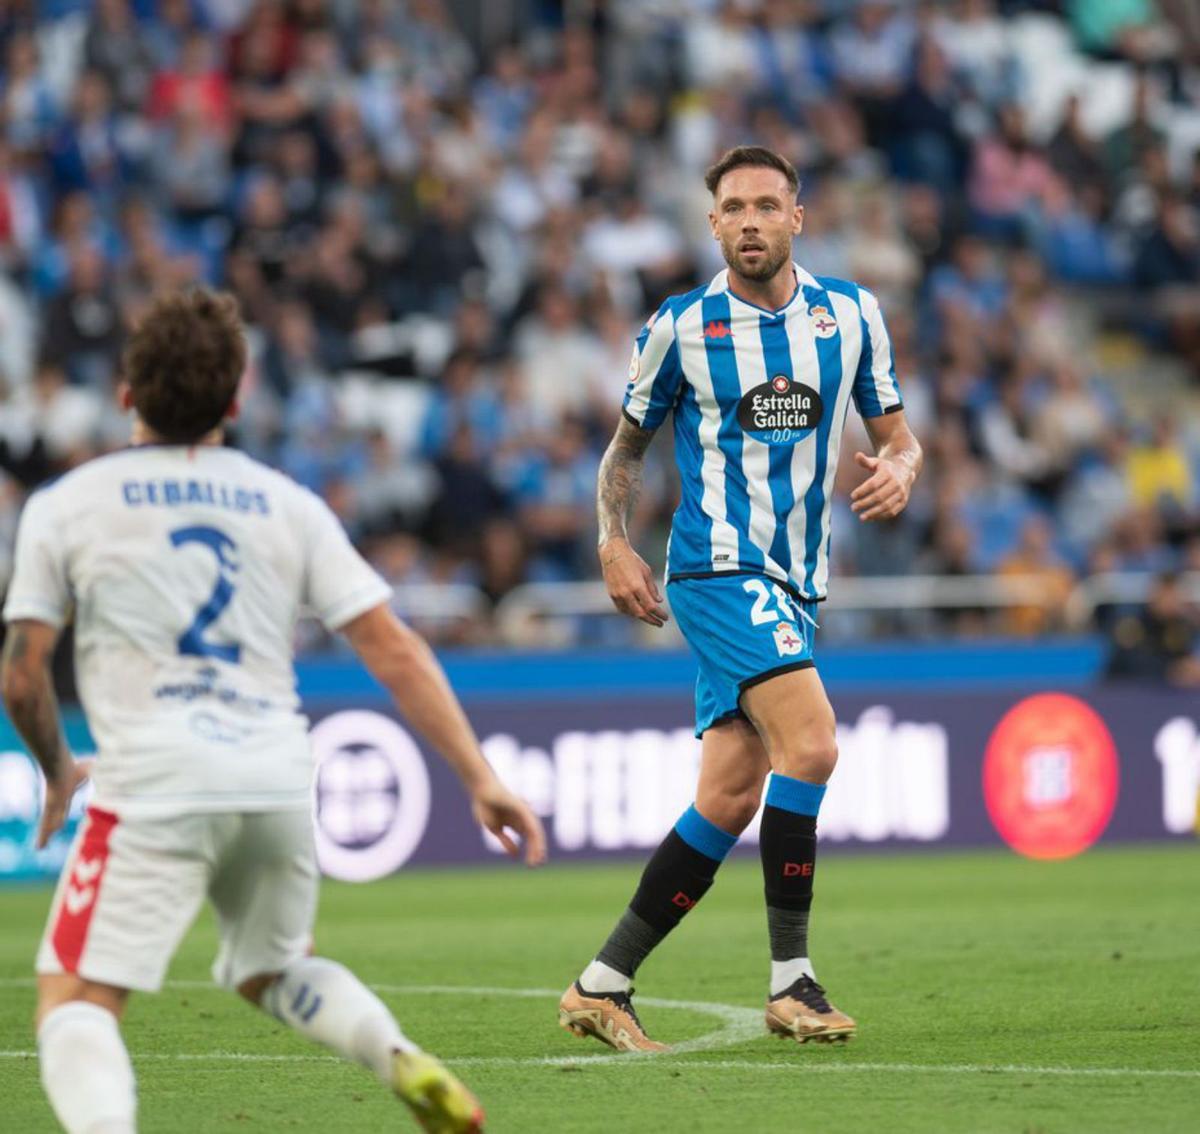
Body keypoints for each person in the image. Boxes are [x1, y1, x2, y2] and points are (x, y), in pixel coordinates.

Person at [1, 289, 547, 1134]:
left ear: (125, 393)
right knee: (272, 965)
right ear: (236, 399)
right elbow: (395, 649)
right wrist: (481, 778)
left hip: (153, 782)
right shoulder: (287, 503)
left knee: (75, 998)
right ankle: (392, 1053)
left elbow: (22, 674)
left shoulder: (68, 504)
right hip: (278, 782)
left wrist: (58, 770)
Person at [559, 146, 922, 1050]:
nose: (750, 219)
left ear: (799, 217)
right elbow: (626, 451)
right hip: (718, 570)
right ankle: (792, 981)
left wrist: (903, 470)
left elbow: (899, 436)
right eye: (733, 207)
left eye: (768, 204)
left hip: (796, 583)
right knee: (813, 742)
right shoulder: (679, 328)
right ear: (712, 223)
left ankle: (600, 985)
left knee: (727, 795)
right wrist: (612, 543)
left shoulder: (852, 315)